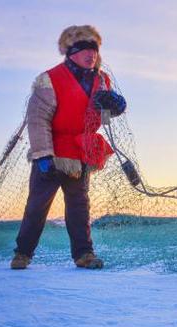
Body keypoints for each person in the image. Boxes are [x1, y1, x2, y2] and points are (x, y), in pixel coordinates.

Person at [11, 25, 127, 269]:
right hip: (51, 153)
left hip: (80, 153)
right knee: (37, 207)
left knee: (79, 207)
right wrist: (43, 155)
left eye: (94, 49)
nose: (91, 54)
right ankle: (22, 254)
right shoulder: (49, 79)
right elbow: (38, 119)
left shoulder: (102, 80)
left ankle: (84, 255)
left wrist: (114, 108)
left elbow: (103, 120)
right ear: (71, 52)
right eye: (85, 49)